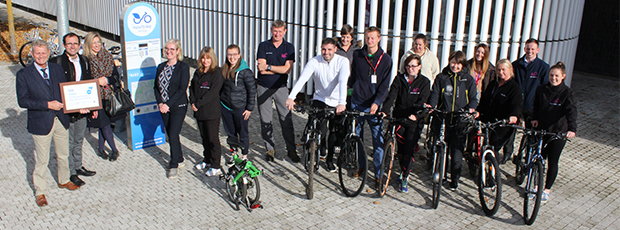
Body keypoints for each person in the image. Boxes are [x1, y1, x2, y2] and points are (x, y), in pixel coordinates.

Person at [16, 40, 81, 207]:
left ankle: (64, 180)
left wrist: (77, 105)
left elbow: (65, 90)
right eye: (37, 53)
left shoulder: (57, 69)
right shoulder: (24, 74)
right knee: (42, 160)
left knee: (63, 154)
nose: (41, 56)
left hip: (60, 118)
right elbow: (23, 101)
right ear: (31, 54)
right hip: (41, 122)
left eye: (43, 53)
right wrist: (47, 105)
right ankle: (40, 191)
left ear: (48, 53)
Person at [285, 37, 350, 172]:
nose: (326, 52)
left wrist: (342, 102)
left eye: (329, 49)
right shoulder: (315, 61)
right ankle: (319, 148)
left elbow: (343, 81)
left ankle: (330, 159)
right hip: (320, 99)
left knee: (334, 131)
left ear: (335, 49)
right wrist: (291, 97)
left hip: (337, 101)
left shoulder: (342, 61)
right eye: (324, 49)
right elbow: (303, 78)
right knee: (320, 128)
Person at [49, 32, 98, 187]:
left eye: (75, 44)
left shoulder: (84, 60)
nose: (72, 46)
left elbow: (88, 83)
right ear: (64, 45)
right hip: (66, 110)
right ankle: (70, 172)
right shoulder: (56, 62)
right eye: (69, 44)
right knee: (68, 142)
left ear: (79, 45)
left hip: (82, 109)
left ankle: (78, 166)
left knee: (79, 139)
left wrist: (92, 107)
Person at [348, 26, 393, 189]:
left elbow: (384, 86)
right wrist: (349, 95)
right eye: (367, 37)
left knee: (377, 140)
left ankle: (379, 175)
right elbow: (353, 77)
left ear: (379, 38)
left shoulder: (386, 59)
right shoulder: (358, 54)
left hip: (374, 105)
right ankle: (361, 166)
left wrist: (377, 102)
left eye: (373, 38)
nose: (370, 40)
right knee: (358, 137)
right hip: (358, 101)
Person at [379, 54, 430, 193]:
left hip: (414, 120)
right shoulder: (399, 79)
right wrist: (384, 111)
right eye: (408, 66)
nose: (410, 68)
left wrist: (416, 114)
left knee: (409, 149)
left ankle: (405, 176)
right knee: (401, 150)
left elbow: (423, 101)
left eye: (413, 66)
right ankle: (402, 169)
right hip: (399, 118)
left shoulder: (424, 82)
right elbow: (391, 96)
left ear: (419, 67)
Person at [427, 51, 477, 191]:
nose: (455, 66)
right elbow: (435, 94)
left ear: (463, 64)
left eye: (458, 63)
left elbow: (473, 99)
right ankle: (440, 174)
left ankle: (454, 180)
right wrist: (432, 106)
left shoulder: (468, 79)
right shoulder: (442, 77)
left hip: (460, 120)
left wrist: (471, 109)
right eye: (453, 63)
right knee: (442, 147)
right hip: (443, 117)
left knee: (456, 153)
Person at [531, 61, 577, 203]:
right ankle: (536, 186)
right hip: (543, 129)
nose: (554, 78)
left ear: (563, 76)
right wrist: (534, 118)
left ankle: (547, 190)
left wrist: (572, 129)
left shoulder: (567, 93)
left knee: (553, 160)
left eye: (557, 76)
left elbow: (571, 112)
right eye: (551, 75)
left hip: (558, 132)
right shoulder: (541, 89)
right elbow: (536, 106)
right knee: (538, 158)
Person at [255, 20, 299, 162]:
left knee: (286, 120)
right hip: (263, 87)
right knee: (265, 121)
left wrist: (268, 67)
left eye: (280, 31)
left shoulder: (289, 47)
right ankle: (270, 149)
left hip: (281, 88)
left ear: (285, 31)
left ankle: (291, 149)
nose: (277, 34)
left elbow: (287, 69)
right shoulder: (263, 45)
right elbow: (260, 68)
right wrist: (275, 69)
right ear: (271, 30)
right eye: (275, 31)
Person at [82, 32, 121, 163]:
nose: (97, 45)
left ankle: (100, 148)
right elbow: (83, 81)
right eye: (94, 43)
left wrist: (107, 80)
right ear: (88, 44)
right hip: (94, 96)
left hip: (109, 95)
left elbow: (116, 77)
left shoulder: (108, 56)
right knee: (104, 124)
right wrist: (96, 81)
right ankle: (114, 149)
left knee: (103, 124)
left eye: (99, 42)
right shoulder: (84, 60)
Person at [154, 39, 190, 179]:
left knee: (173, 134)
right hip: (163, 107)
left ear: (178, 51)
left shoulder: (183, 67)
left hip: (178, 106)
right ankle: (180, 158)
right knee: (170, 133)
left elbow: (182, 89)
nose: (169, 51)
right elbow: (156, 87)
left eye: (172, 49)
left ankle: (173, 164)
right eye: (167, 49)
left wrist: (168, 104)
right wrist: (160, 103)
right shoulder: (161, 67)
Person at [511, 38, 550, 162]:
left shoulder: (543, 67)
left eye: (533, 49)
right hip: (516, 104)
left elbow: (545, 88)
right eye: (528, 48)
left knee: (530, 133)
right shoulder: (516, 65)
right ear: (524, 49)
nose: (530, 51)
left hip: (531, 106)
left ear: (537, 50)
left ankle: (526, 156)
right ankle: (508, 153)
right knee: (510, 130)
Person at [476, 59, 523, 161]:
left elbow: (517, 105)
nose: (501, 72)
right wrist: (478, 111)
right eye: (499, 70)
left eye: (503, 69)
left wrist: (514, 115)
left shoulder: (514, 88)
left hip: (502, 124)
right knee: (485, 145)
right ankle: (482, 168)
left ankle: (493, 172)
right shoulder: (493, 84)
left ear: (510, 70)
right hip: (488, 121)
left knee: (493, 148)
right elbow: (484, 100)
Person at [190, 47, 224, 177]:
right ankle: (207, 160)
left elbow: (213, 93)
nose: (205, 60)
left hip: (211, 112)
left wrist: (198, 104)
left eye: (208, 58)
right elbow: (192, 88)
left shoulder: (216, 73)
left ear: (212, 59)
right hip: (199, 112)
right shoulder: (198, 72)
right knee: (204, 138)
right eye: (203, 58)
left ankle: (216, 165)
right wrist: (192, 101)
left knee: (213, 139)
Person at [220, 44, 256, 160]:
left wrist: (249, 108)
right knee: (231, 133)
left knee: (243, 133)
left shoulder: (245, 72)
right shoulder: (225, 68)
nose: (232, 57)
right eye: (229, 55)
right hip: (226, 107)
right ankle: (233, 154)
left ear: (239, 55)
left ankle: (244, 156)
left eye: (234, 54)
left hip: (240, 108)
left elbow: (252, 91)